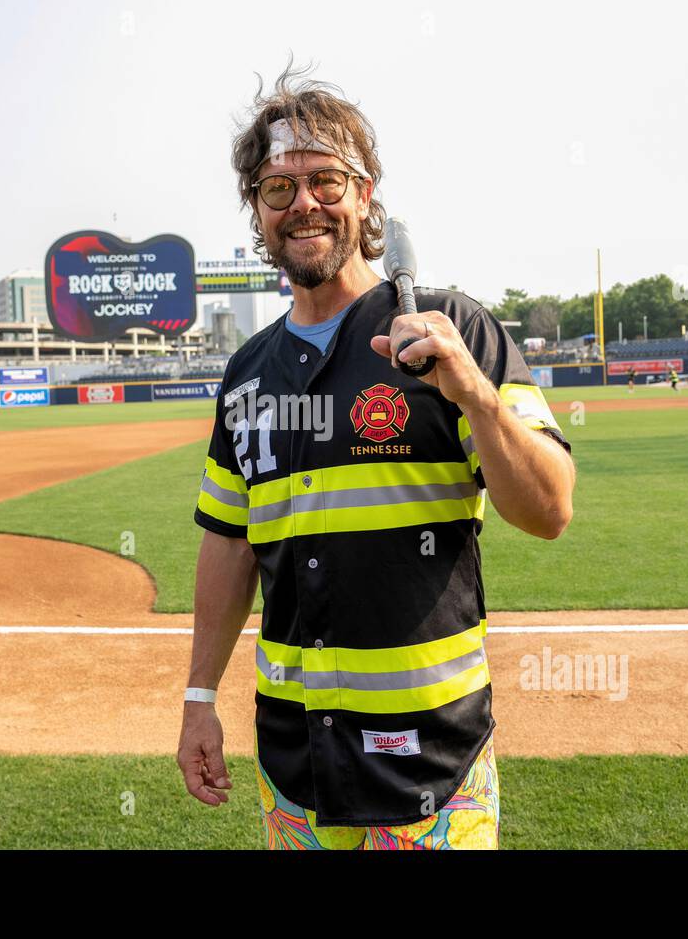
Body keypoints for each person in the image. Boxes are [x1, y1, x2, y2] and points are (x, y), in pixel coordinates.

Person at [178, 66, 576, 850]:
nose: (303, 204)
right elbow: (229, 541)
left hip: (431, 762)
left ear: (366, 199)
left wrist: (475, 394)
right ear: (256, 212)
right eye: (276, 188)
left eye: (326, 179)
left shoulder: (453, 329)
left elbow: (550, 510)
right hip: (296, 762)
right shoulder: (248, 371)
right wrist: (198, 695)